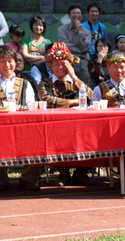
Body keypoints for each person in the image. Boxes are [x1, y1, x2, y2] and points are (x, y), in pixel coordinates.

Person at [0, 45, 39, 191]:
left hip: (24, 128)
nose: (7, 65)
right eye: (2, 62)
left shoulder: (25, 83)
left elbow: (31, 107)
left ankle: (27, 179)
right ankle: (2, 179)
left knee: (38, 141)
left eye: (10, 61)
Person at [37, 42, 95, 187]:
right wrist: (74, 102)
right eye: (56, 64)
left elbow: (90, 96)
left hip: (78, 125)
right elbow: (48, 100)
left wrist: (74, 77)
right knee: (55, 136)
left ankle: (81, 172)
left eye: (64, 64)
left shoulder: (77, 82)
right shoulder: (45, 83)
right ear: (50, 66)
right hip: (55, 125)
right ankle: (62, 172)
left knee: (90, 135)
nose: (60, 67)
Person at [57, 5, 92, 86]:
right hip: (68, 60)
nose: (76, 15)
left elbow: (85, 47)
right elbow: (64, 46)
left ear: (82, 16)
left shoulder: (86, 32)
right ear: (69, 16)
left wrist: (80, 31)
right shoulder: (62, 30)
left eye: (78, 13)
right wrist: (80, 50)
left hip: (83, 61)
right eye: (73, 13)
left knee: (84, 83)